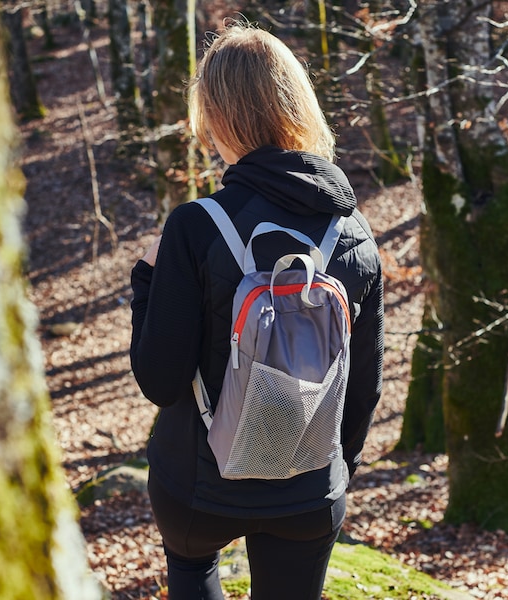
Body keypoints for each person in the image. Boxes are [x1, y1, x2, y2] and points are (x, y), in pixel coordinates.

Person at [130, 20, 384, 600]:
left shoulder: (196, 227)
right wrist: (331, 474)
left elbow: (160, 380)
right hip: (309, 488)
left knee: (194, 570)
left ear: (217, 116)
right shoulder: (353, 233)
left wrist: (146, 278)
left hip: (200, 488)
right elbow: (363, 385)